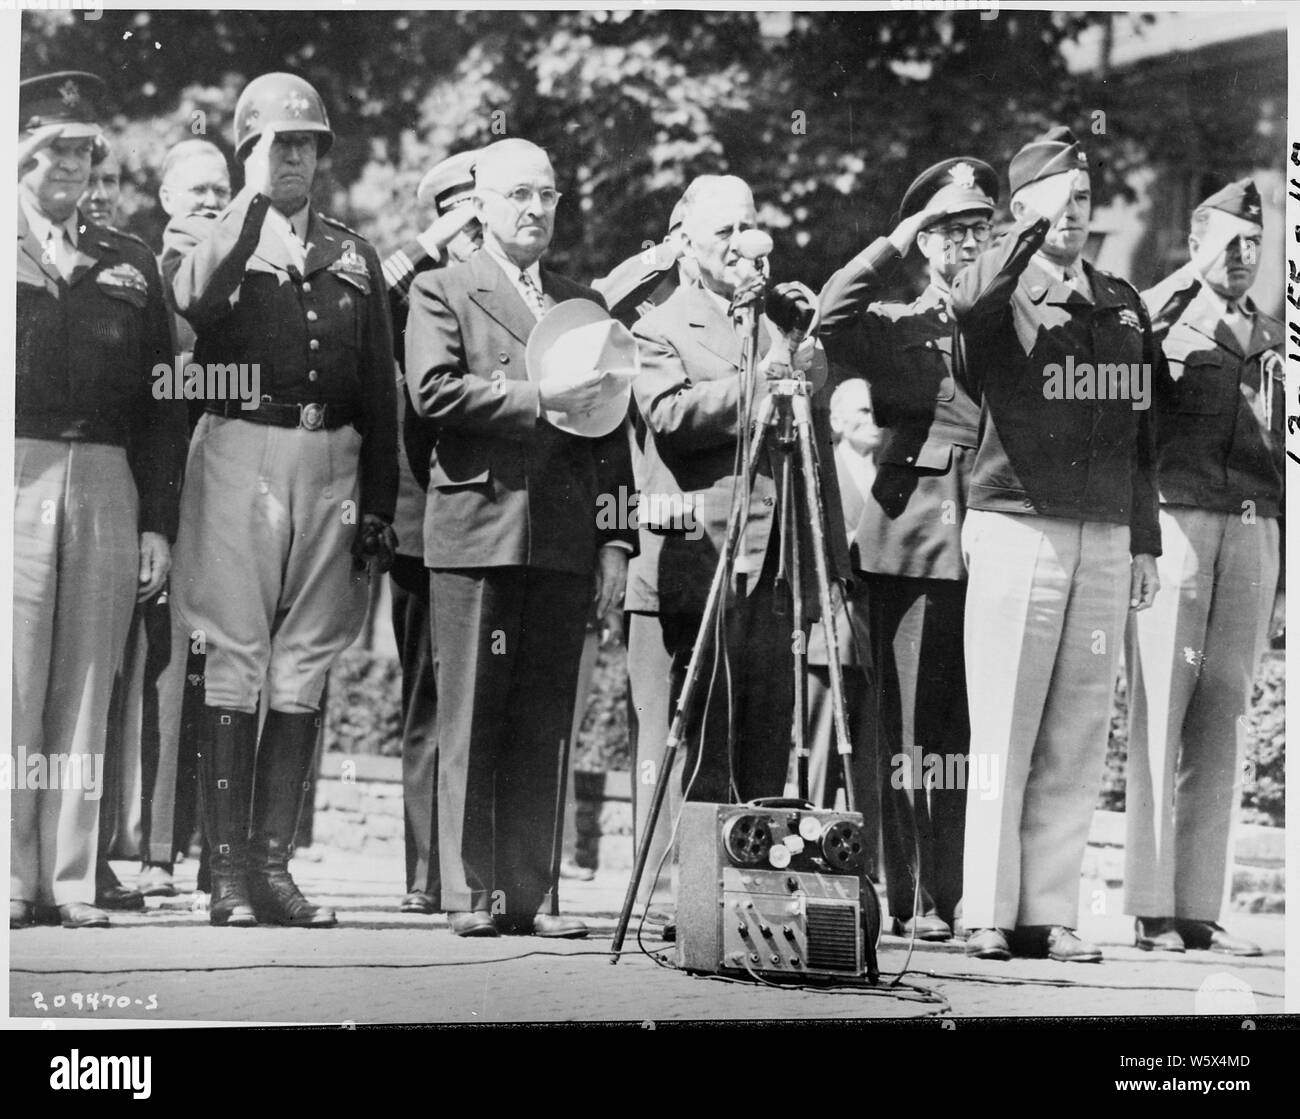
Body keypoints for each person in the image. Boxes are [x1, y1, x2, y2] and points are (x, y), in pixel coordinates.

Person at [169, 72, 398, 928]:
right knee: (235, 649)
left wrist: (377, 500)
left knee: (305, 658)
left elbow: (382, 385)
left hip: (332, 455)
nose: (295, 156)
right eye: (277, 143)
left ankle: (274, 866)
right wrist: (250, 205)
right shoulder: (216, 235)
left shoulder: (352, 252)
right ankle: (224, 870)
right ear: (248, 152)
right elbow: (191, 300)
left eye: (307, 144)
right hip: (240, 448)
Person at [404, 138, 634, 939]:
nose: (535, 211)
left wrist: (615, 541)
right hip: (477, 526)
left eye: (547, 195)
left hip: (565, 540)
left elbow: (611, 434)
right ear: (481, 205)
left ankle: (527, 895)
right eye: (518, 196)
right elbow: (433, 391)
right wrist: (540, 395)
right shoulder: (442, 289)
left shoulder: (581, 303)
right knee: (473, 712)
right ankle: (472, 895)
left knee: (544, 717)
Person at [951, 126, 1162, 963]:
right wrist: (1021, 232)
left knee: (1080, 728)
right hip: (1018, 522)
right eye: (1056, 198)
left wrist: (1144, 539)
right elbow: (967, 305)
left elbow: (1142, 432)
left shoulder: (1120, 298)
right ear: (1022, 209)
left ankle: (1049, 909)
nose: (1075, 210)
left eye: (1083, 196)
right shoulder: (1002, 294)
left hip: (1104, 531)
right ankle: (987, 908)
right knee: (1003, 723)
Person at [12, 71, 186, 930]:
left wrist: (159, 519)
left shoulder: (130, 261)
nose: (71, 165)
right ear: (19, 155)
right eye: (53, 149)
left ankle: (71, 878)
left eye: (84, 151)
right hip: (17, 472)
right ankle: (12, 877)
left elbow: (163, 398)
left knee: (88, 679)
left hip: (110, 477)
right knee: (14, 680)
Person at [817, 158, 998, 941]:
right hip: (915, 539)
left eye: (978, 228)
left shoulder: (1006, 318)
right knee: (915, 726)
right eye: (948, 229)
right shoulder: (896, 322)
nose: (965, 242)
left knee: (973, 725)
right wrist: (893, 242)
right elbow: (831, 314)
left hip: (998, 529)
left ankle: (969, 891)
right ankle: (917, 894)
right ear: (924, 240)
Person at [631, 173, 846, 813]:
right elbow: (668, 416)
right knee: (689, 743)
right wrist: (761, 383)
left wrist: (799, 345)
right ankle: (677, 905)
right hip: (697, 561)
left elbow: (815, 428)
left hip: (774, 570)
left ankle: (741, 899)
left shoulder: (778, 321)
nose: (740, 243)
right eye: (722, 231)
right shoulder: (661, 324)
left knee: (762, 748)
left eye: (747, 227)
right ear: (685, 241)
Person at [1125, 179, 1284, 958]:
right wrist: (1189, 278)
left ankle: (1198, 907)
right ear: (1194, 248)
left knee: (1224, 716)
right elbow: (1127, 327)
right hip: (1178, 521)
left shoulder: (1273, 335)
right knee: (1161, 709)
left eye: (1254, 244)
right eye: (1226, 243)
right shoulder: (1162, 317)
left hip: (1253, 531)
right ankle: (1152, 908)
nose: (1242, 257)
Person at [385, 147, 483, 914]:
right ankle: (426, 871)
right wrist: (437, 237)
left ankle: (475, 864)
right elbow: (378, 284)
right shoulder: (420, 288)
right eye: (465, 215)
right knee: (428, 699)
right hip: (424, 526)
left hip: (500, 527)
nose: (478, 229)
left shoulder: (517, 294)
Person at [796, 378, 878, 817]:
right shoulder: (823, 470)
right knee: (821, 759)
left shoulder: (885, 476)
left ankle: (864, 870)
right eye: (864, 412)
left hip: (873, 640)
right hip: (830, 633)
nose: (873, 422)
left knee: (869, 768)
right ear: (838, 419)